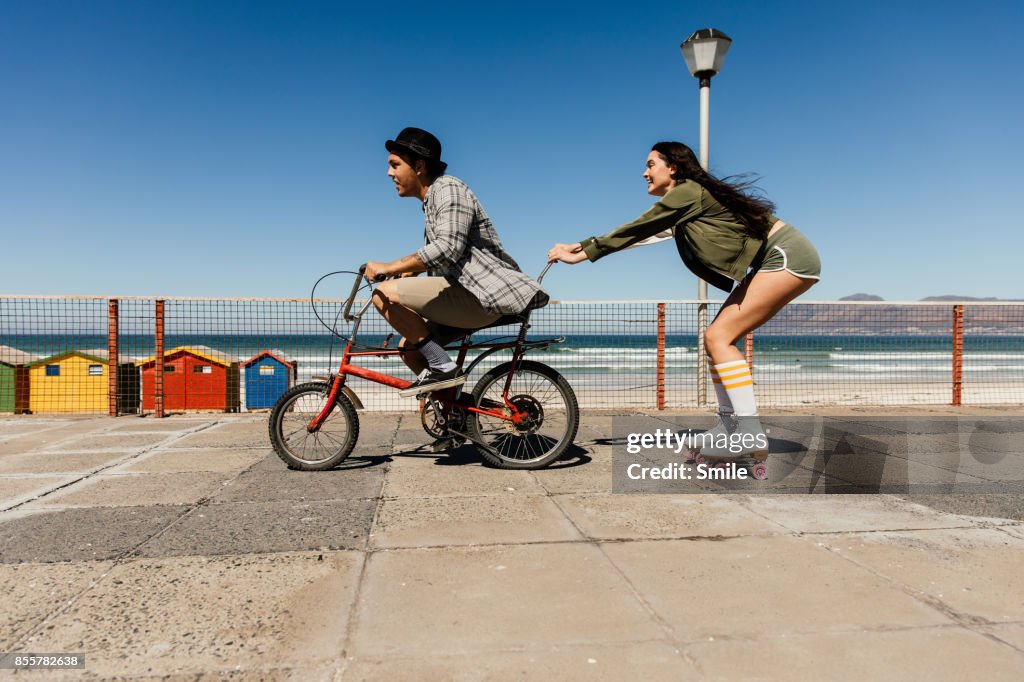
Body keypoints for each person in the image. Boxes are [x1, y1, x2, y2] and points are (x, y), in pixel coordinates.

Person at [547, 141, 820, 457]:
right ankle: (729, 426)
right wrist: (579, 247)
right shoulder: (686, 202)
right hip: (774, 259)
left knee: (720, 337)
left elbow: (638, 227)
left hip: (786, 256)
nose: (644, 172)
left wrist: (581, 255)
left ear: (672, 167)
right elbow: (645, 235)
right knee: (713, 339)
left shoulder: (687, 191)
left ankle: (748, 435)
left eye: (651, 164)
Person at [366, 127, 548, 397]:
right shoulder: (430, 202)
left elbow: (448, 248)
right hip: (462, 294)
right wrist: (405, 276)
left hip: (480, 295)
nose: (389, 173)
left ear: (418, 166)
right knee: (410, 350)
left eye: (395, 165)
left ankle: (443, 367)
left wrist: (389, 267)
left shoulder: (448, 188)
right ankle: (454, 415)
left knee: (382, 295)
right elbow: (435, 256)